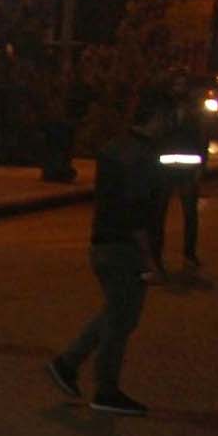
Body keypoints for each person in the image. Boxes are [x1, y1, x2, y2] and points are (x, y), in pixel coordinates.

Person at [47, 86, 171, 416]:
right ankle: (105, 389)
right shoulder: (142, 156)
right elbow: (137, 210)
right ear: (156, 119)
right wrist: (149, 258)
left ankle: (68, 364)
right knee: (121, 320)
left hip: (103, 243)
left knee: (116, 313)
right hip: (124, 249)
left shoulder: (116, 148)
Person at [150, 71, 206, 271]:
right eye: (176, 85)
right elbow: (155, 136)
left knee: (190, 214)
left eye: (182, 85)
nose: (179, 89)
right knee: (158, 214)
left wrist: (201, 166)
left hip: (187, 169)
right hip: (165, 168)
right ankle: (155, 255)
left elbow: (202, 137)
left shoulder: (194, 110)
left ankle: (189, 253)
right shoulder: (163, 109)